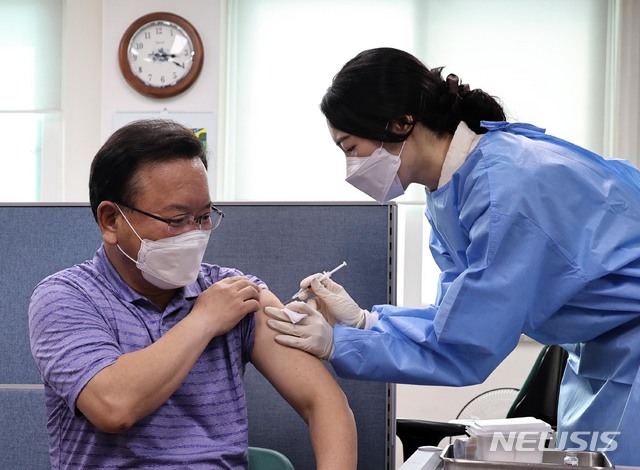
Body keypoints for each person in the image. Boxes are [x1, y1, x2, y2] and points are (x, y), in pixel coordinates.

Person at [264, 47, 640, 466]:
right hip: (603, 350)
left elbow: (466, 347)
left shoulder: (505, 189)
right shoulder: (451, 192)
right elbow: (457, 317)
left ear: (401, 122)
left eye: (351, 147)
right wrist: (364, 321)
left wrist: (340, 343)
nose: (351, 166)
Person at [28, 119, 357, 469]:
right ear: (111, 220)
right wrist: (203, 320)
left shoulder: (234, 292)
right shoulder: (65, 298)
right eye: (177, 219)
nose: (195, 234)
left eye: (203, 217)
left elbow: (325, 403)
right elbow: (113, 406)